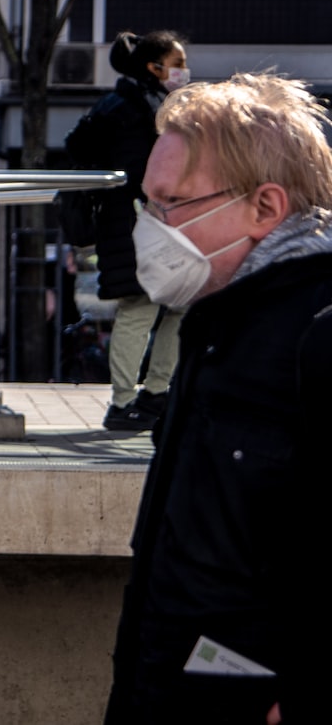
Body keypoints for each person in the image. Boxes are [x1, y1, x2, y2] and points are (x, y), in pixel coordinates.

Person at [104, 73, 332, 725]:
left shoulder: (315, 333)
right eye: (146, 204)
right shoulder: (217, 329)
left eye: (171, 203)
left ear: (265, 207)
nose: (150, 228)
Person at [64, 31, 189, 431]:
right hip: (136, 224)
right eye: (177, 64)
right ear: (154, 68)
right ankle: (127, 401)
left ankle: (152, 394)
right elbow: (141, 173)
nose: (183, 72)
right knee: (143, 307)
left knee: (175, 306)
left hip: (139, 224)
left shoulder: (131, 103)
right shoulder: (134, 109)